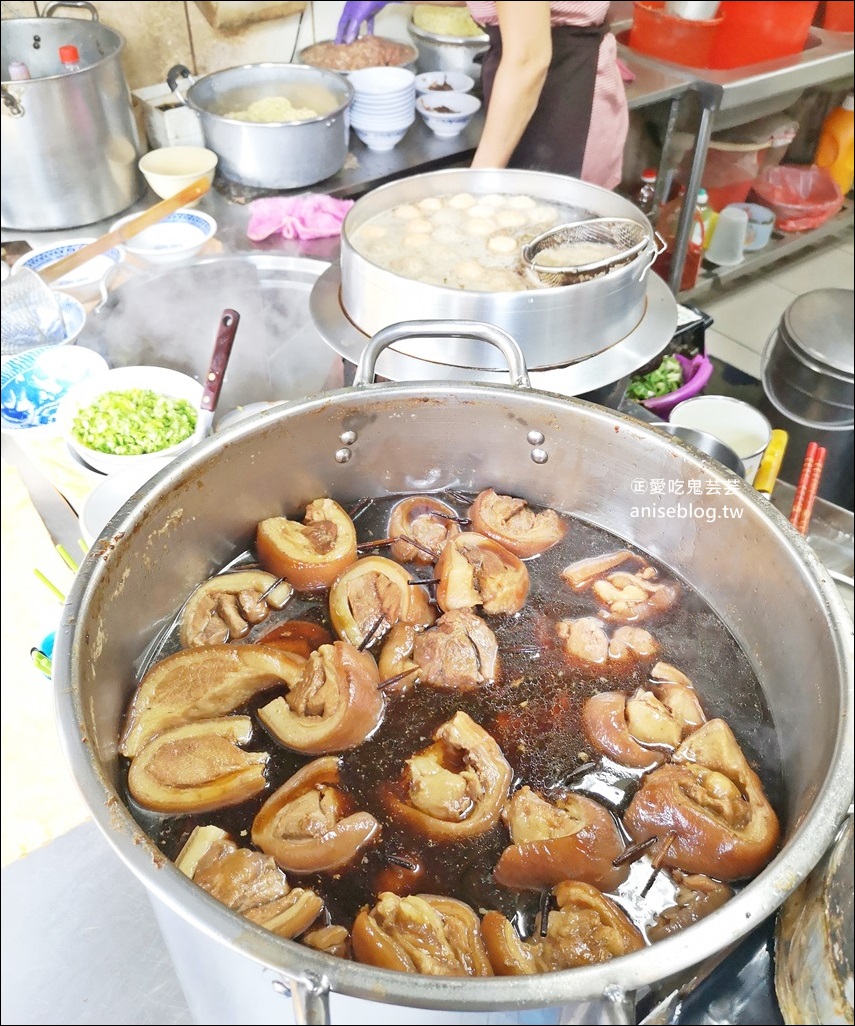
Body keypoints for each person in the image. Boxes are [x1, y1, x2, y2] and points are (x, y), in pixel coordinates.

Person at [335, 1, 628, 188]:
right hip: (542, 90)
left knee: (557, 255)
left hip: (565, 101)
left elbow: (528, 60)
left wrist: (477, 182)